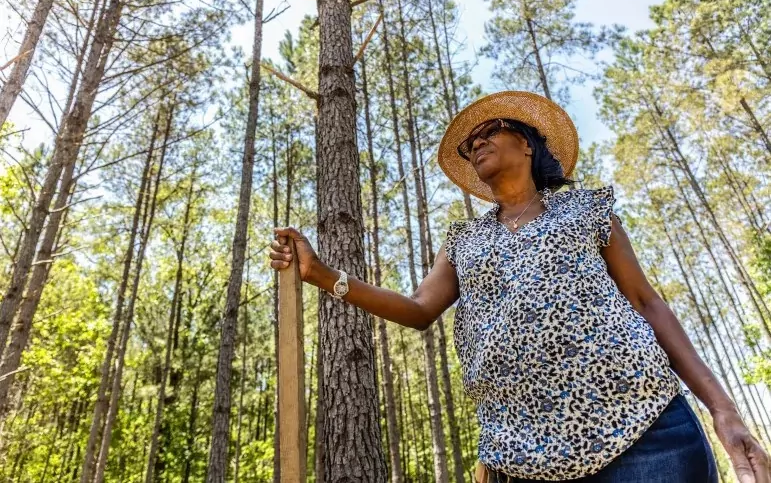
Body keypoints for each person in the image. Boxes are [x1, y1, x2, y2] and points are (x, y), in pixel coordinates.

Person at [269, 91, 770, 482]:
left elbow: (646, 302)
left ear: (527, 143)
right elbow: (419, 308)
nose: (476, 144)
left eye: (490, 132)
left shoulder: (587, 210)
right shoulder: (463, 239)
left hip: (643, 430)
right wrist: (322, 274)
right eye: (469, 144)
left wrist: (723, 409)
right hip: (520, 453)